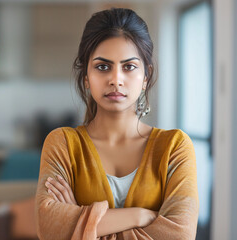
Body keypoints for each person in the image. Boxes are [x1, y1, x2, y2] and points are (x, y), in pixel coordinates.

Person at [35, 7, 199, 240]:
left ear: (145, 77)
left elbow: (179, 234)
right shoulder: (62, 144)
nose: (115, 79)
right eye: (103, 67)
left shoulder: (175, 147)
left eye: (129, 67)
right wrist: (140, 216)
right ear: (86, 78)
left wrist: (81, 221)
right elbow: (50, 228)